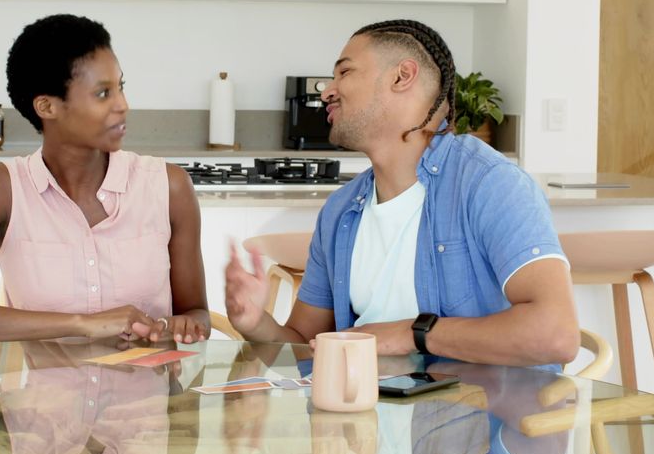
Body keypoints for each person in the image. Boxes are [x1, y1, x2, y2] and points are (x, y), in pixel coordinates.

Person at [225, 19, 578, 367]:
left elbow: (556, 335)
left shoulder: (489, 184)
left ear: (401, 76)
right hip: (364, 419)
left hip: (483, 419)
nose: (327, 91)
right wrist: (255, 322)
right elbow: (303, 352)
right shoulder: (340, 211)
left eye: (344, 73)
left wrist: (412, 333)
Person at [0, 14, 210, 343]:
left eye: (120, 88)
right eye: (102, 94)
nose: (122, 105)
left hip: (150, 391)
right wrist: (83, 323)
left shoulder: (169, 186)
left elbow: (197, 314)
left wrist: (182, 326)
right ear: (47, 106)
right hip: (43, 393)